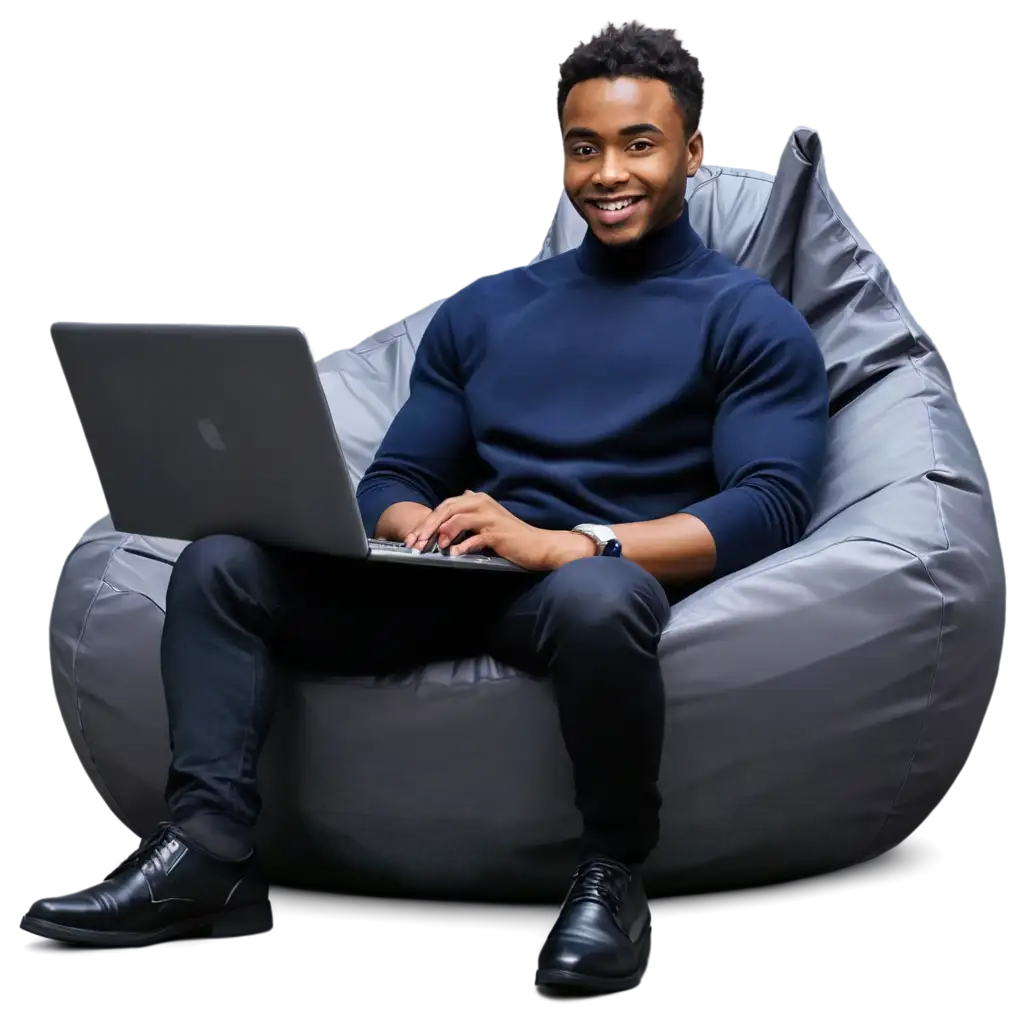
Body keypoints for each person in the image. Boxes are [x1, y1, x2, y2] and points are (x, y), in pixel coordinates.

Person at [20, 22, 829, 996]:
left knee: (600, 598)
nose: (607, 172)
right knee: (221, 564)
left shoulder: (747, 318)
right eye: (584, 147)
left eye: (638, 144)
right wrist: (417, 526)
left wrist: (567, 543)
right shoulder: (486, 312)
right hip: (456, 576)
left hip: (573, 588)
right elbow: (393, 477)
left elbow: (770, 506)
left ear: (693, 152)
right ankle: (202, 848)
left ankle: (610, 874)